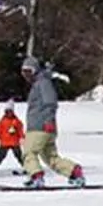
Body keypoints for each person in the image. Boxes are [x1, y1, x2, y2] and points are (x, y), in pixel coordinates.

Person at [17, 56, 85, 187]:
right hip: (44, 127)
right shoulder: (40, 83)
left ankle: (36, 177)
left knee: (28, 153)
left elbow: (51, 103)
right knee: (51, 158)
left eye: (28, 71)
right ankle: (74, 172)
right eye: (23, 72)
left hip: (40, 127)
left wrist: (48, 121)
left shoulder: (42, 83)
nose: (26, 75)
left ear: (35, 70)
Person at [0, 104, 25, 176]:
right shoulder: (2, 121)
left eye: (10, 111)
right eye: (7, 112)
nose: (9, 113)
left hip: (14, 142)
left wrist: (22, 137)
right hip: (4, 142)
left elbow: (20, 130)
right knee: (0, 155)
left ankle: (27, 167)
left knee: (19, 155)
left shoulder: (17, 121)